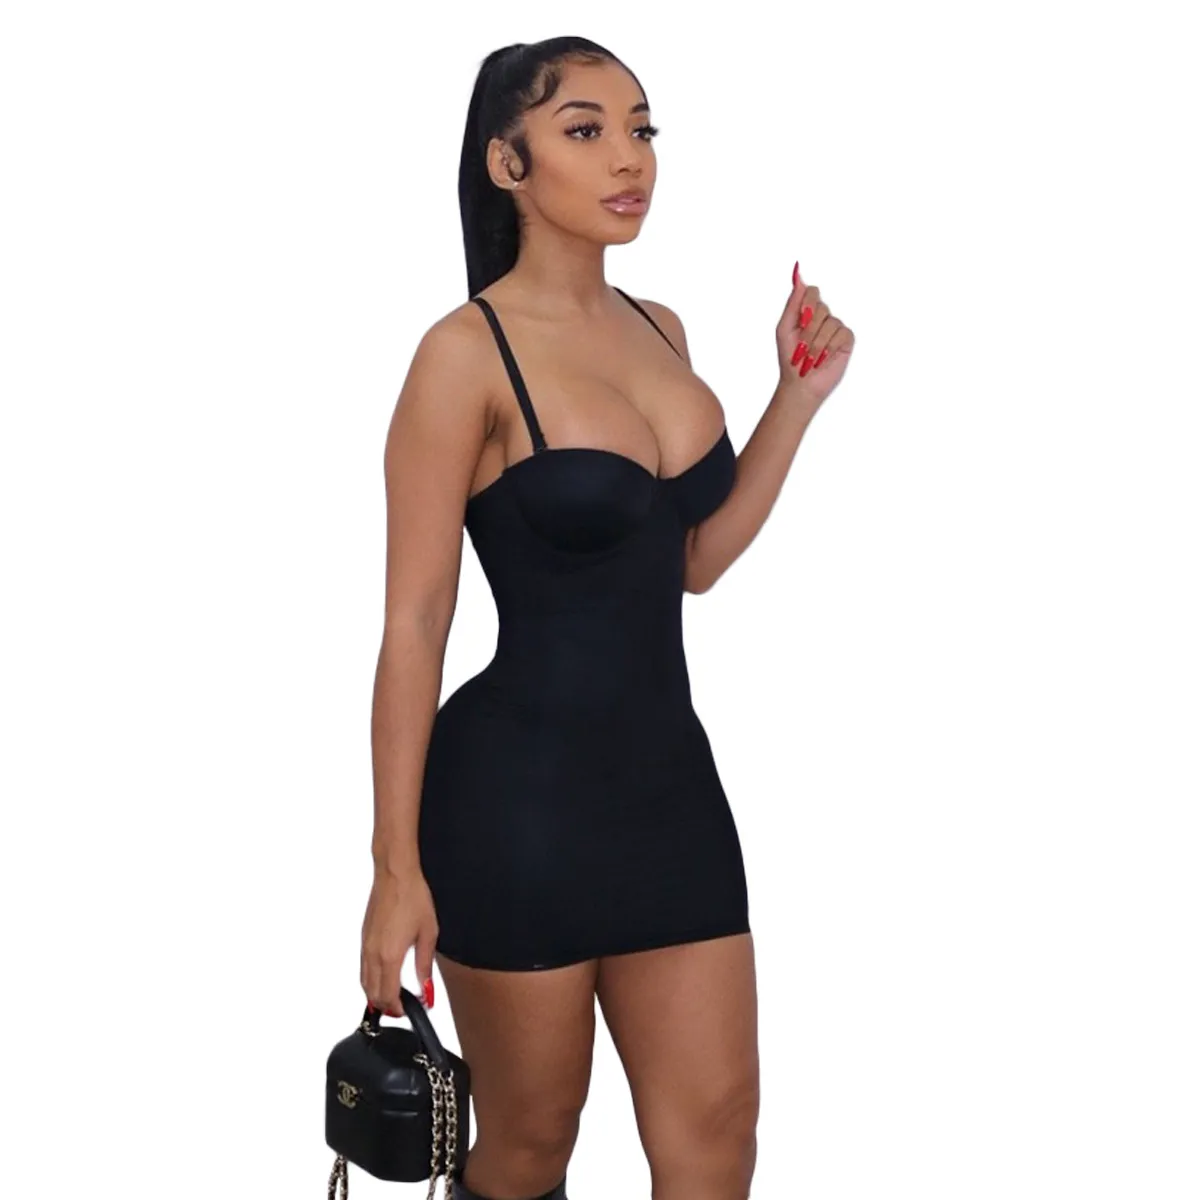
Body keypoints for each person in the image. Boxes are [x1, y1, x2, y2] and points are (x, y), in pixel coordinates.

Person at [360, 36, 854, 1200]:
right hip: (514, 806)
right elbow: (415, 620)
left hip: (670, 793)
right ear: (508, 165)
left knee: (718, 1134)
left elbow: (690, 562)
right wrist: (393, 868)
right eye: (585, 130)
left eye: (641, 129)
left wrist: (795, 397)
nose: (629, 158)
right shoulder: (462, 356)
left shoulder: (660, 327)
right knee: (531, 1145)